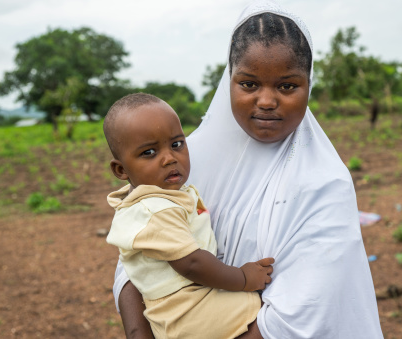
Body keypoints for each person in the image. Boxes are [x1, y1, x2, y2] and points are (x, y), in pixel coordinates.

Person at [113, 1, 384, 338]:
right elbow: (136, 255)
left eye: (287, 86)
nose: (267, 101)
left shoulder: (325, 185)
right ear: (230, 79)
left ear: (309, 85)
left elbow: (298, 317)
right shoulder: (181, 161)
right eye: (249, 84)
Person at [103, 93, 274, 339]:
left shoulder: (157, 197)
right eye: (149, 152)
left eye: (176, 144)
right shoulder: (155, 210)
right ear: (120, 169)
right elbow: (190, 263)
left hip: (183, 312)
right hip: (190, 313)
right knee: (264, 313)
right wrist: (243, 278)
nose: (169, 158)